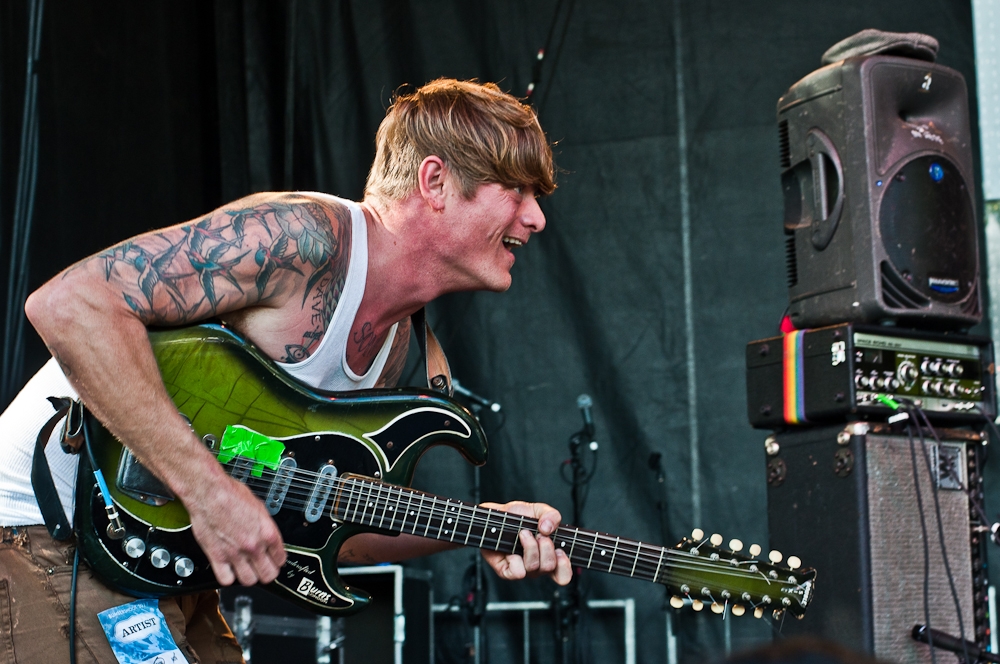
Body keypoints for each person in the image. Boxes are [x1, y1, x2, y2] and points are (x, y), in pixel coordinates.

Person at [0, 78, 572, 663]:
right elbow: (69, 305)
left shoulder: (414, 362)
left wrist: (479, 527)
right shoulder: (303, 239)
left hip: (169, 567)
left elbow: (334, 520)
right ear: (435, 182)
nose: (536, 218)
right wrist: (210, 492)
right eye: (518, 188)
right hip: (47, 534)